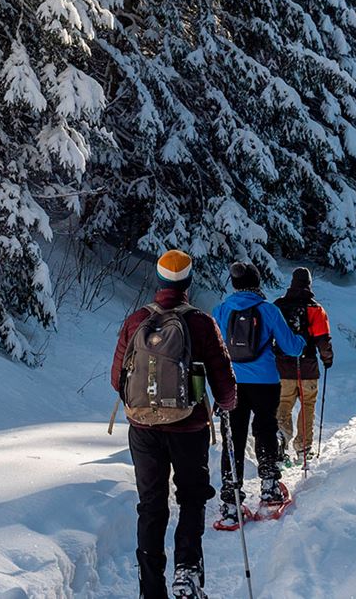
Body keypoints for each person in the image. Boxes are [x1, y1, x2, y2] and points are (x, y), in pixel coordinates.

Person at [111, 249, 237, 599]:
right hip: (188, 427)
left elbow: (115, 378)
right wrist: (226, 405)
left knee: (151, 504)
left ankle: (151, 589)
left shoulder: (136, 320)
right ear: (188, 282)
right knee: (192, 498)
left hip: (143, 429)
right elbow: (224, 383)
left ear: (159, 280)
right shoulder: (200, 322)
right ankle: (187, 573)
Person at [211, 261, 305, 525]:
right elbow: (292, 347)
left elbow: (211, 349)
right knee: (265, 429)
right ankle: (269, 485)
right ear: (257, 283)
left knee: (233, 436)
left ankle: (231, 500)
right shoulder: (269, 310)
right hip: (265, 382)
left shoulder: (220, 310)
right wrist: (301, 339)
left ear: (234, 285)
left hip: (231, 383)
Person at [274, 267, 334, 464]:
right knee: (307, 405)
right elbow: (322, 340)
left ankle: (280, 442)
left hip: (282, 368)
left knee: (283, 405)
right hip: (307, 367)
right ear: (309, 284)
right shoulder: (315, 309)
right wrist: (327, 359)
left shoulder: (278, 306)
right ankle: (304, 448)